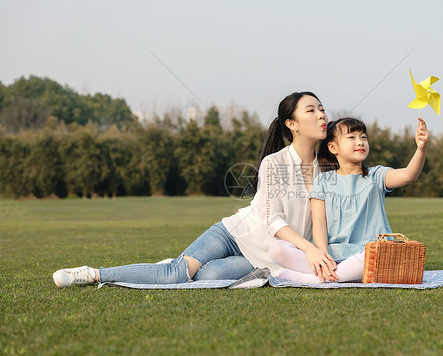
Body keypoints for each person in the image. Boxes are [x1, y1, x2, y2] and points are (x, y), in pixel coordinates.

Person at [52, 91, 338, 287]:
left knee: (206, 277)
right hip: (234, 233)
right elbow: (272, 219)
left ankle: (184, 262)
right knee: (175, 274)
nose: (321, 115)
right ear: (292, 124)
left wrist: (320, 252)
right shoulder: (274, 163)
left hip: (262, 257)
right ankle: (93, 274)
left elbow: (321, 218)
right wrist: (310, 250)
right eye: (311, 110)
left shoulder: (327, 166)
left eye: (322, 109)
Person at [269, 116, 429, 283]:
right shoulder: (323, 181)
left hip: (368, 254)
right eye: (352, 137)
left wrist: (421, 148)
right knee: (277, 248)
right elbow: (319, 224)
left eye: (363, 137)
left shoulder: (376, 176)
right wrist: (322, 257)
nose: (360, 142)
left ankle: (314, 279)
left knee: (375, 255)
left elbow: (409, 175)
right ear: (333, 147)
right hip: (333, 255)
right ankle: (334, 274)